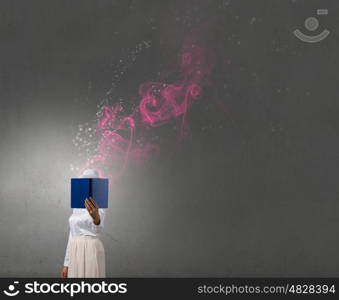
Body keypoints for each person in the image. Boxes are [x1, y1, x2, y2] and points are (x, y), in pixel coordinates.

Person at [60, 169, 106, 278]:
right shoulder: (77, 206)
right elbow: (72, 234)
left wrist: (96, 218)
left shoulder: (100, 203)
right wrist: (66, 264)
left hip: (91, 248)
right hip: (74, 248)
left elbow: (98, 230)